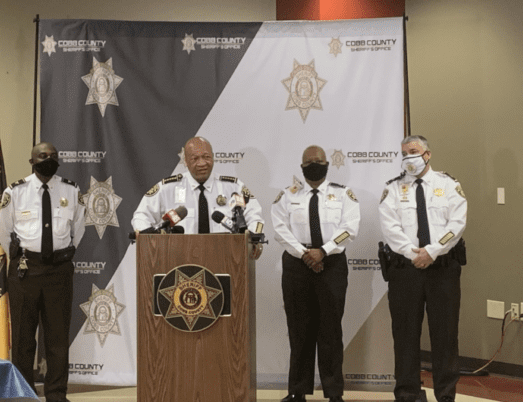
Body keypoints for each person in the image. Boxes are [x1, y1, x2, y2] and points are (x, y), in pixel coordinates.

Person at [378, 135, 467, 402]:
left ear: (427, 154)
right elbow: (389, 226)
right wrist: (412, 253)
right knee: (405, 335)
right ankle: (407, 394)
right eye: (404, 153)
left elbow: (457, 223)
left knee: (446, 335)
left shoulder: (448, 185)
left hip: (443, 269)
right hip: (406, 271)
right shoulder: (393, 188)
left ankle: (446, 395)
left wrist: (432, 251)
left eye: (413, 151)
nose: (408, 158)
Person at [0, 142, 86, 402]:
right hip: (26, 271)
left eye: (54, 156)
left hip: (59, 271)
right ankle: (24, 393)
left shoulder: (71, 190)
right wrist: (26, 255)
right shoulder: (16, 192)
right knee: (24, 338)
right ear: (32, 161)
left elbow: (77, 231)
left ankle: (57, 394)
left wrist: (59, 254)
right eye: (43, 156)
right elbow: (3, 231)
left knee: (57, 338)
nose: (49, 160)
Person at [271, 145, 360, 402]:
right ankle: (297, 391)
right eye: (309, 161)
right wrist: (305, 254)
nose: (314, 164)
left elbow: (349, 228)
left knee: (331, 331)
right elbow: (280, 229)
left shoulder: (343, 195)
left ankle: (334, 393)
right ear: (301, 166)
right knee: (299, 329)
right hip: (297, 266)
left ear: (327, 164)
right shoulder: (287, 196)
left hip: (331, 264)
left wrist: (324, 251)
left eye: (319, 160)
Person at [131, 136, 264, 253]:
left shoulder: (234, 187)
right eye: (195, 159)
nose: (202, 163)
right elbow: (140, 216)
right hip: (178, 258)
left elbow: (255, 217)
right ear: (186, 162)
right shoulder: (168, 188)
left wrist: (252, 241)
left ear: (212, 157)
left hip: (225, 257)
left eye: (206, 157)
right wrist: (149, 239)